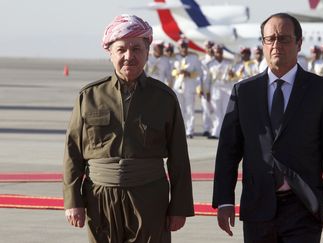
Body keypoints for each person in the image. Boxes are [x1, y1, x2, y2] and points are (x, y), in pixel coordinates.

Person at [212, 13, 323, 243]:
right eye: (270, 39)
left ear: (299, 43)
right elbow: (228, 150)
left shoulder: (321, 91)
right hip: (258, 204)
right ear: (263, 43)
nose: (276, 45)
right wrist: (224, 200)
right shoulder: (244, 91)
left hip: (304, 205)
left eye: (284, 39)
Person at [63, 14, 194, 243]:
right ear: (110, 53)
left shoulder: (164, 98)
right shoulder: (89, 96)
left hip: (149, 198)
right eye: (121, 49)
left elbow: (179, 157)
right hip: (100, 198)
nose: (128, 56)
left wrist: (179, 207)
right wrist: (73, 201)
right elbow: (73, 152)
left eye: (136, 48)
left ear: (147, 52)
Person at [171, 38, 203, 138]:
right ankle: (181, 130)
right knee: (179, 110)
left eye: (185, 46)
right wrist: (177, 72)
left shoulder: (194, 58)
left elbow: (199, 72)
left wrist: (189, 74)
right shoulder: (175, 58)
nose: (184, 48)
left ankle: (190, 131)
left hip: (189, 86)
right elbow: (171, 71)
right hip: (178, 86)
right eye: (182, 46)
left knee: (190, 109)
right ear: (179, 48)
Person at [206, 44, 234, 139]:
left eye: (220, 51)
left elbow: (233, 78)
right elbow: (207, 80)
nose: (219, 53)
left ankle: (226, 132)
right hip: (215, 90)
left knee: (226, 112)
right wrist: (207, 92)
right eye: (217, 52)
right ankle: (216, 132)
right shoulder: (210, 64)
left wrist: (232, 74)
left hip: (226, 89)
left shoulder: (229, 63)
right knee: (216, 112)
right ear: (214, 53)